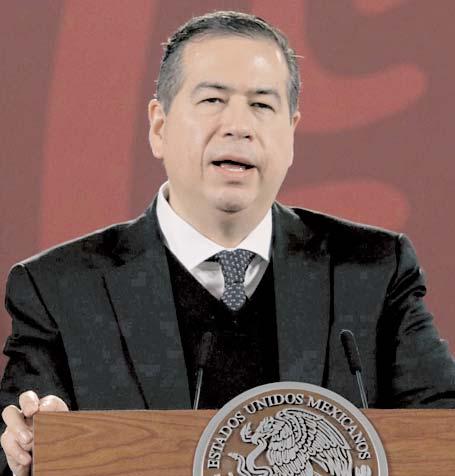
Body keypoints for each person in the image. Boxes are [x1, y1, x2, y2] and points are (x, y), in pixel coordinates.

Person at [1, 10, 455, 476]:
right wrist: (28, 447)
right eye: (213, 100)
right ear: (159, 126)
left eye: (262, 105)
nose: (239, 125)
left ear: (291, 133)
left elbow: (444, 433)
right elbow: (13, 442)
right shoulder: (58, 288)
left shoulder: (373, 272)